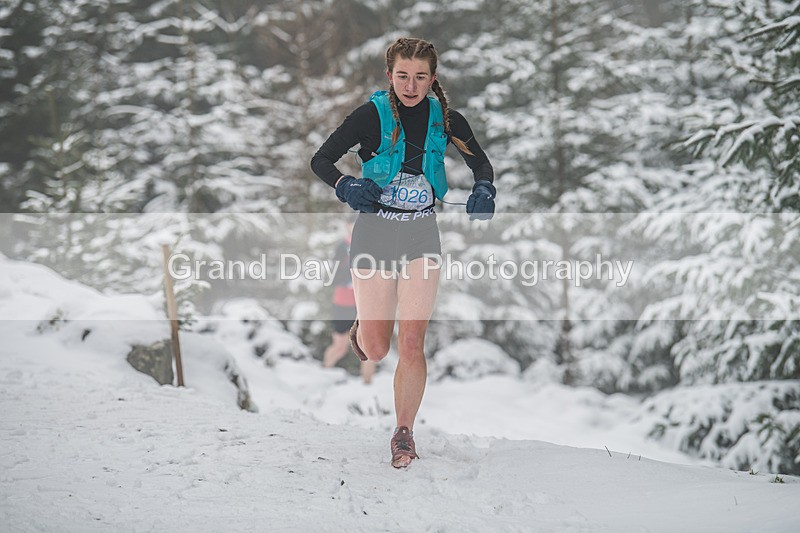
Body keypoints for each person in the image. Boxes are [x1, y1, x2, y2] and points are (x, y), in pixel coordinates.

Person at [310, 37, 495, 468]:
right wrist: (347, 186)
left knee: (411, 341)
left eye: (420, 77)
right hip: (374, 234)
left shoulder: (446, 120)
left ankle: (404, 432)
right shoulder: (368, 117)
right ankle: (365, 328)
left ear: (433, 79)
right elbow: (321, 160)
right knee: (376, 350)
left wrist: (484, 188)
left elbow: (480, 164)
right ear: (390, 76)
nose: (411, 86)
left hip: (420, 236)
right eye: (403, 76)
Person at [322, 221, 376, 385]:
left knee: (367, 347)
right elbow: (332, 276)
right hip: (343, 303)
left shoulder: (372, 246)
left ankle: (368, 385)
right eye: (352, 225)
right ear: (347, 226)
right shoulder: (341, 248)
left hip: (365, 303)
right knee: (340, 347)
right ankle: (322, 377)